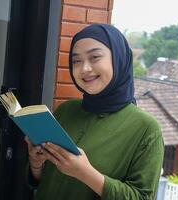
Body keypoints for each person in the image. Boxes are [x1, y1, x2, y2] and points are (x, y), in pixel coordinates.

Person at [25, 24, 164, 200]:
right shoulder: (66, 111)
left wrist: (86, 173)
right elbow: (46, 182)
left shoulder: (146, 129)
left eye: (95, 57)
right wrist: (36, 164)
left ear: (118, 59)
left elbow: (142, 197)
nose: (84, 69)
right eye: (76, 61)